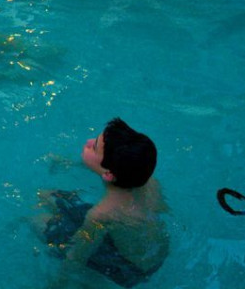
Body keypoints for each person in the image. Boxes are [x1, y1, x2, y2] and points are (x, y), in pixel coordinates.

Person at [38, 118, 169, 288]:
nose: (88, 142)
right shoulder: (148, 181)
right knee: (46, 195)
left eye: (94, 146)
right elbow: (108, 167)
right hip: (152, 255)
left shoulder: (103, 213)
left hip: (128, 270)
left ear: (108, 174)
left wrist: (57, 283)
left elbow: (76, 257)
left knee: (37, 220)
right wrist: (69, 163)